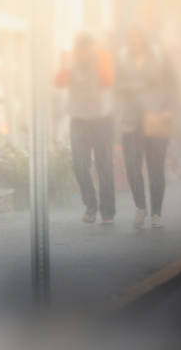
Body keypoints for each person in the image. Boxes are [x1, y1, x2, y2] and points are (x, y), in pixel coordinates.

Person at [115, 27, 177, 229]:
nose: (134, 42)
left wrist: (169, 108)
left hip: (156, 116)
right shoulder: (123, 58)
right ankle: (141, 207)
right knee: (132, 167)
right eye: (131, 39)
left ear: (144, 40)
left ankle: (156, 213)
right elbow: (116, 85)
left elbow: (172, 83)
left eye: (138, 39)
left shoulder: (159, 56)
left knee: (156, 168)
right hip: (130, 120)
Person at [54, 33, 116, 224]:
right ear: (77, 50)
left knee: (104, 166)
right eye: (81, 51)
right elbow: (58, 83)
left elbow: (108, 81)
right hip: (79, 119)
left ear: (93, 49)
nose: (84, 55)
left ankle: (107, 212)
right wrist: (65, 65)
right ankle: (90, 205)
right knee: (79, 164)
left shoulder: (102, 58)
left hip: (102, 119)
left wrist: (98, 61)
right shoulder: (70, 61)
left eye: (88, 50)